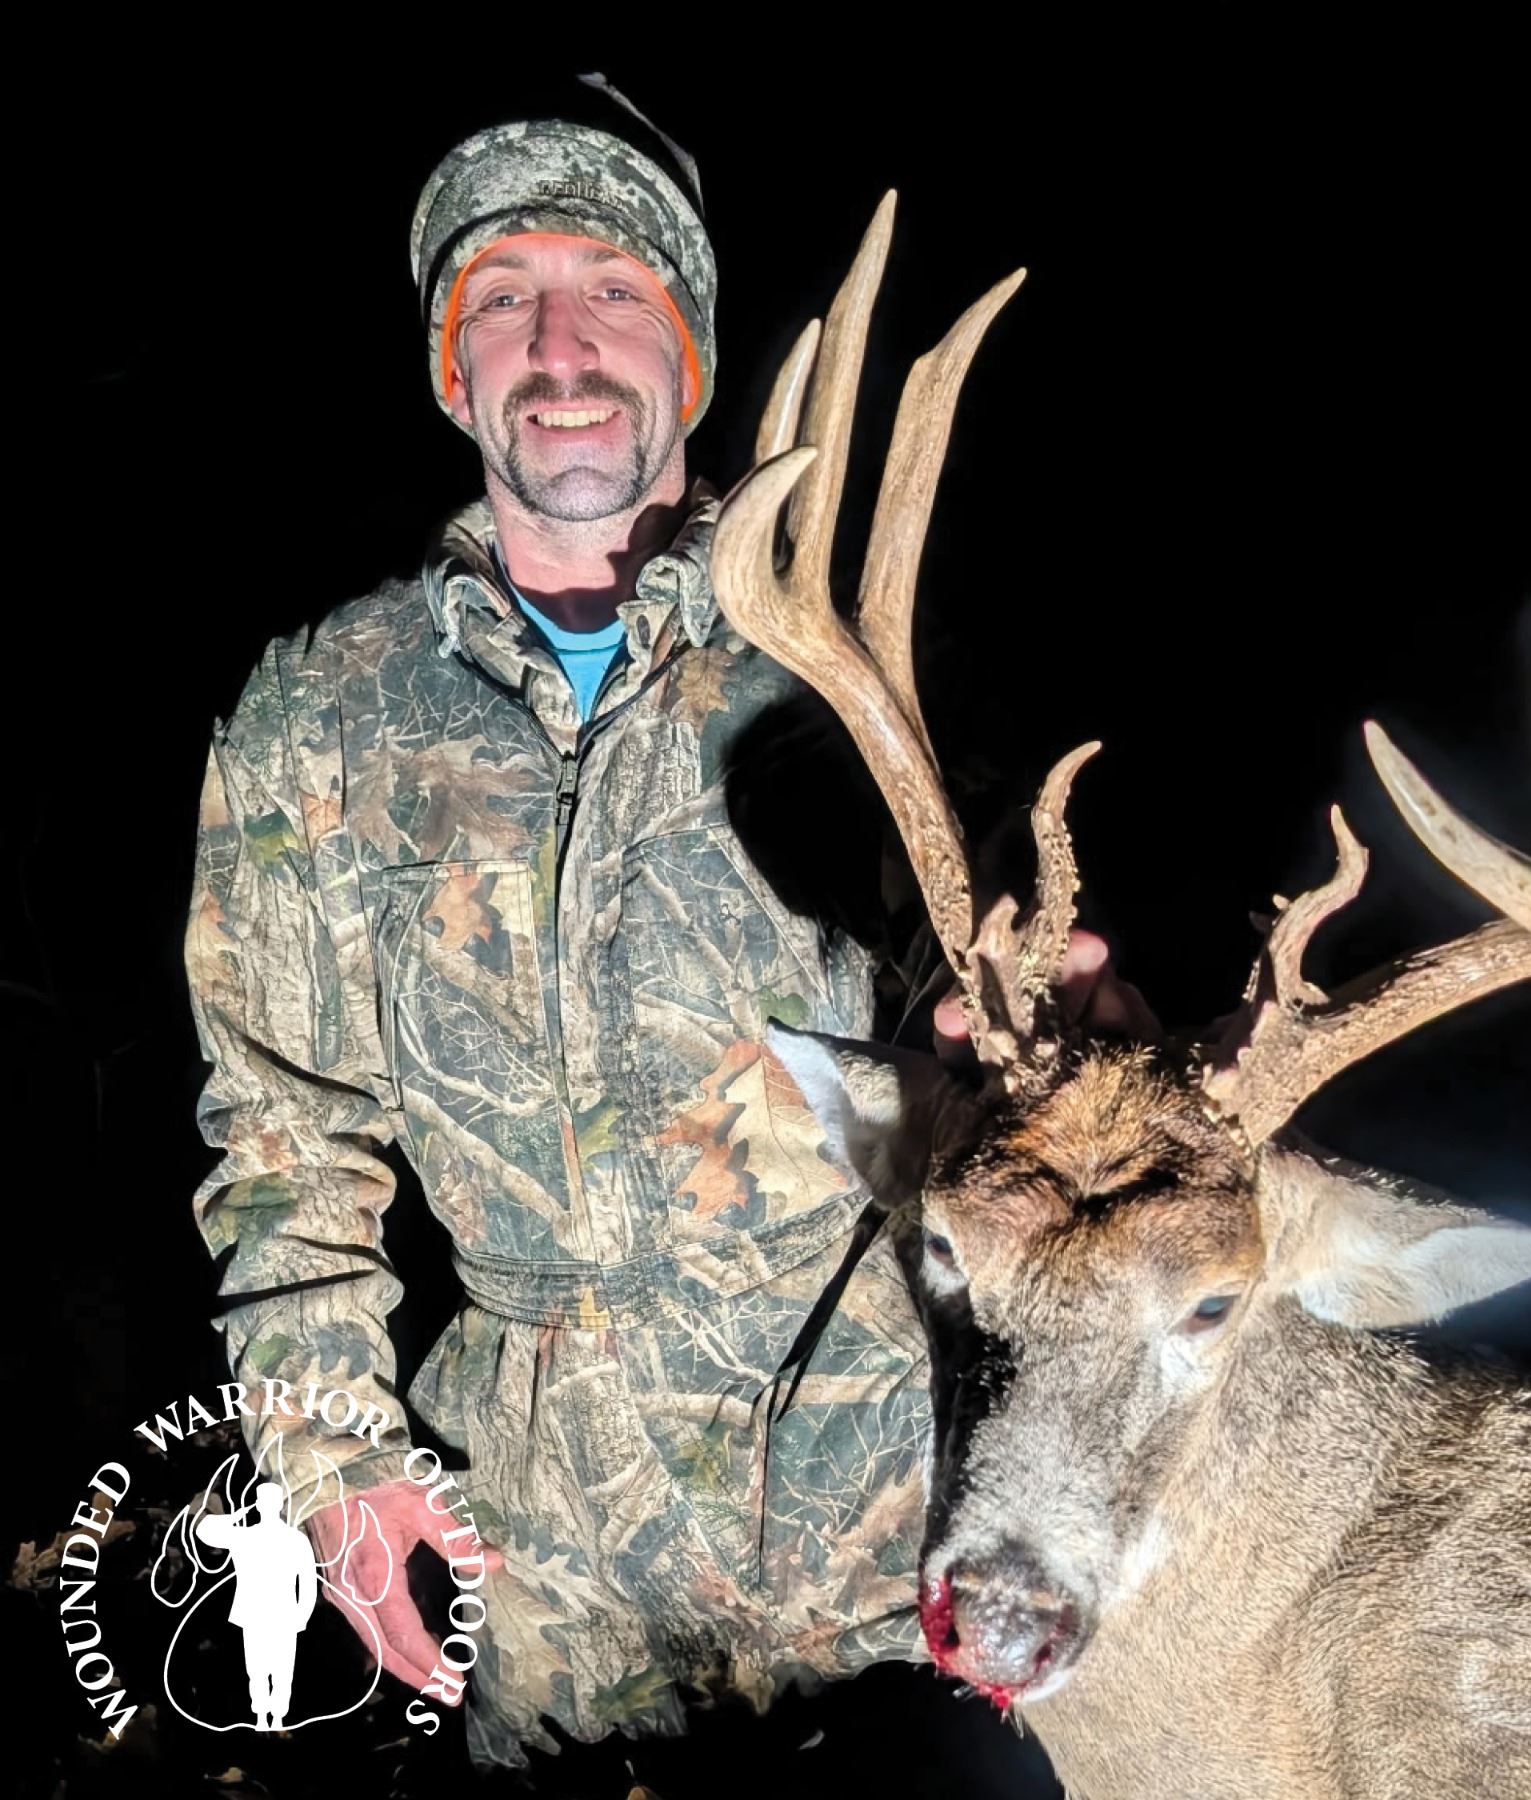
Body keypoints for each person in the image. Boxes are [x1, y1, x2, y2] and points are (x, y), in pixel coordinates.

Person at [183, 84, 1155, 1771]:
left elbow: (1018, 1013)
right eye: (503, 299)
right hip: (545, 1587)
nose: (560, 348)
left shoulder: (862, 681)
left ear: (691, 359)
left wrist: (1074, 1039)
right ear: (453, 369)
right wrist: (332, 1459)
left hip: (891, 1560)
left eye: (615, 291)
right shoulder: (321, 715)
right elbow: (283, 1136)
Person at [195, 1481, 320, 1731]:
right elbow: (308, 1583)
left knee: (264, 1669)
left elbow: (204, 1529)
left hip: (269, 1613)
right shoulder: (279, 1538)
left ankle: (269, 1718)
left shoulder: (252, 1536)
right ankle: (268, 1718)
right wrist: (301, 1616)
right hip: (271, 1613)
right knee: (272, 1669)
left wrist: (232, 1519)